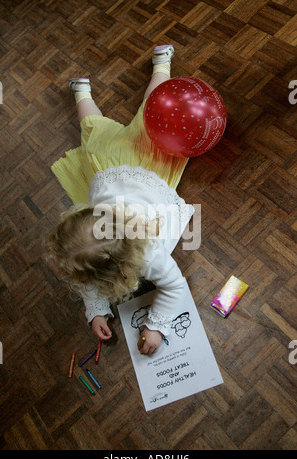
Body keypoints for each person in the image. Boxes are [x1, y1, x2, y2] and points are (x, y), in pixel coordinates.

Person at [45, 45, 193, 355]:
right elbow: (88, 271)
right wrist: (96, 309)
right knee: (109, 125)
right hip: (110, 167)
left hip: (143, 165)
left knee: (125, 120)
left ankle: (157, 68)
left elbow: (175, 286)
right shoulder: (95, 237)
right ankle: (87, 88)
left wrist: (156, 325)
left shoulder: (151, 256)